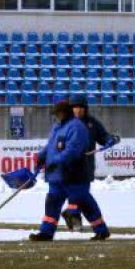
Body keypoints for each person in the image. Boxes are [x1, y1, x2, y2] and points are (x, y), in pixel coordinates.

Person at [29, 100, 111, 242]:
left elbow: (73, 150)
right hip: (56, 176)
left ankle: (101, 230)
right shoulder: (57, 127)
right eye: (56, 114)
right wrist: (41, 157)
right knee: (52, 203)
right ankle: (46, 232)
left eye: (59, 113)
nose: (57, 116)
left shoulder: (77, 128)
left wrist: (56, 162)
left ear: (66, 113)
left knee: (84, 203)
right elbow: (51, 146)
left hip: (73, 174)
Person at [62, 94, 120, 232]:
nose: (78, 111)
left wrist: (110, 139)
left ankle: (71, 215)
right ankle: (75, 218)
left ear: (85, 109)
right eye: (75, 108)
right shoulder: (64, 125)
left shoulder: (92, 124)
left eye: (81, 108)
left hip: (86, 167)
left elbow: (103, 136)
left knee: (82, 195)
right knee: (76, 192)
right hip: (69, 167)